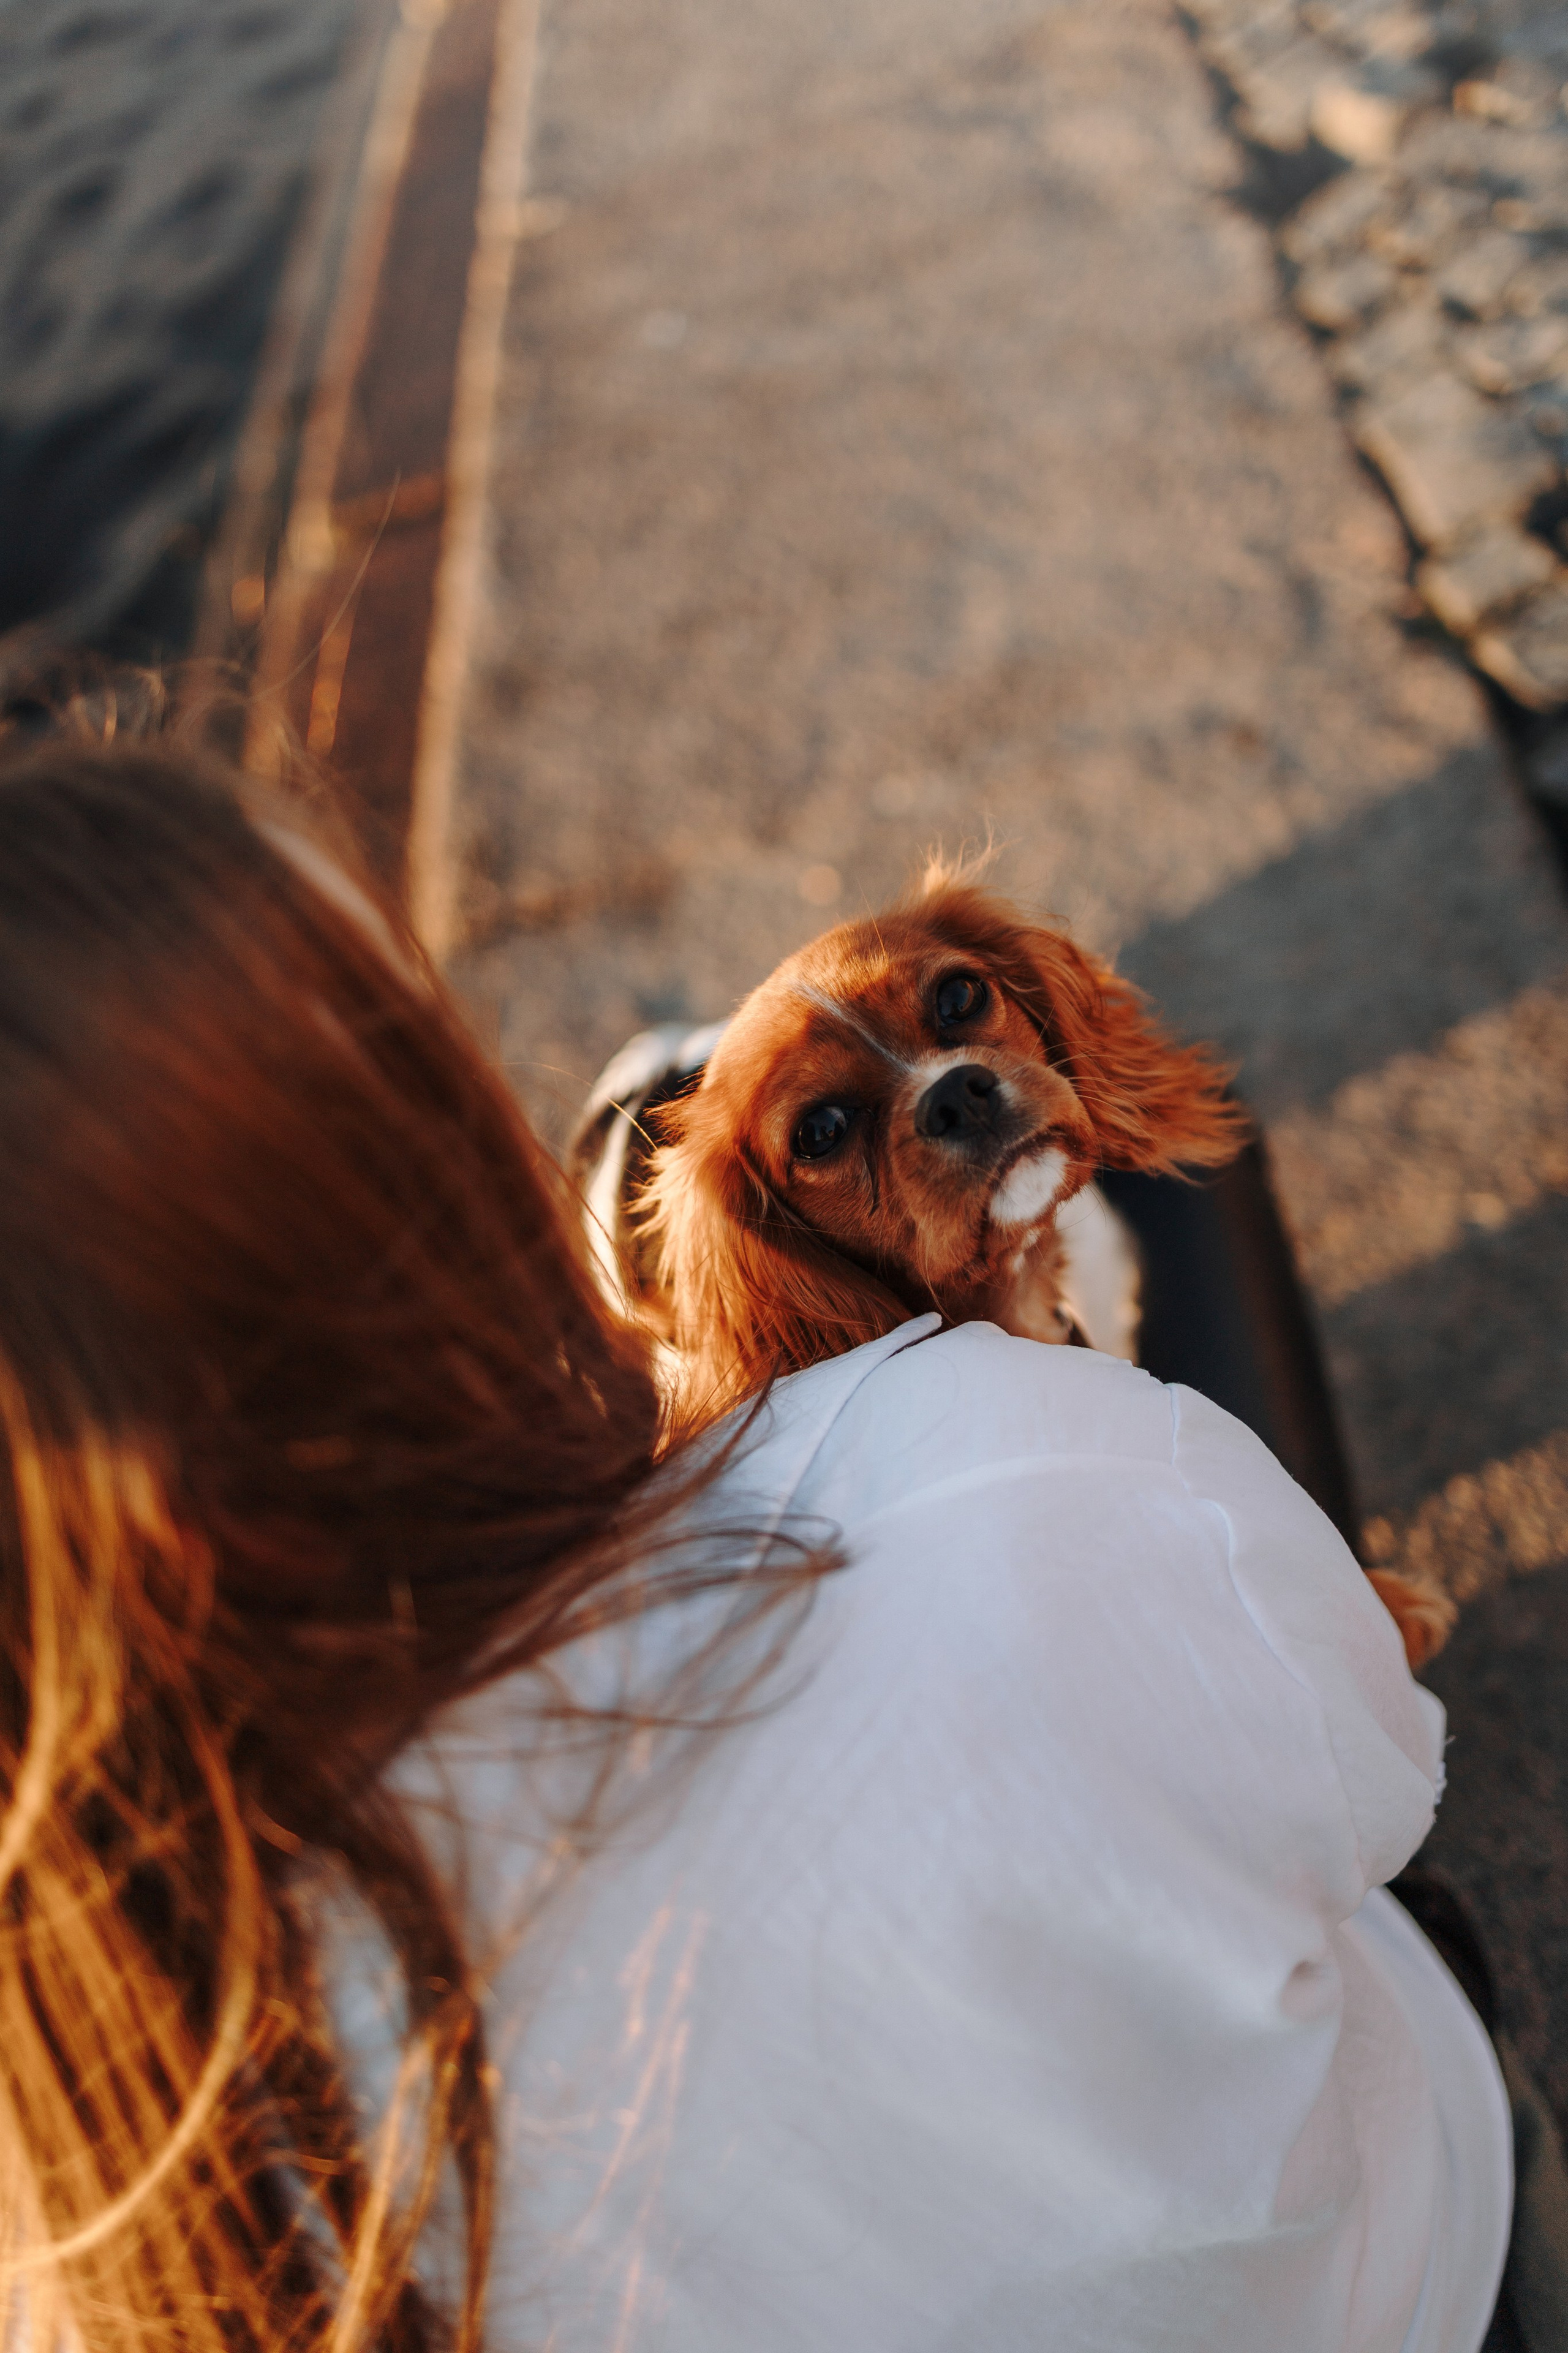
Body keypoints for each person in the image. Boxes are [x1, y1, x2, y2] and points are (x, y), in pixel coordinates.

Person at [0, 723, 1520, 2353]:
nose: (939, 1081)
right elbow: (1375, 1766)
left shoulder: (109, 2179)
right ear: (421, 1184)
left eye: (955, 1007)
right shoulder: (1008, 1477)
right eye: (421, 1036)